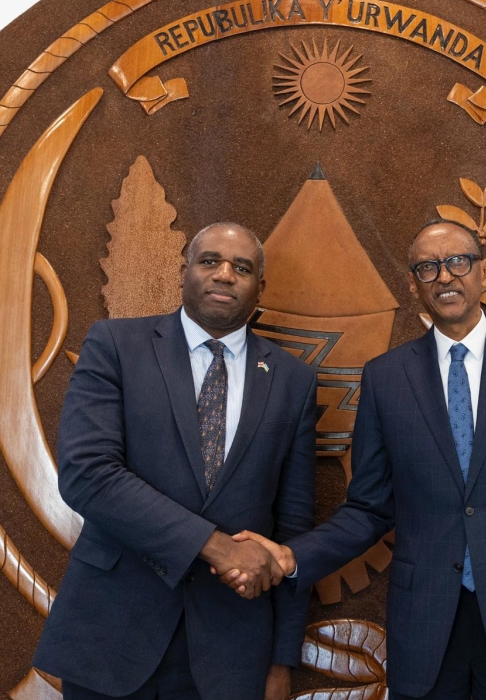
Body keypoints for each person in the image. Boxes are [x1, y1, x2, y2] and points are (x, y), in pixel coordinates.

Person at [230, 220, 486, 700]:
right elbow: (368, 508)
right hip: (424, 625)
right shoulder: (386, 378)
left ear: (485, 270)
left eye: (458, 262)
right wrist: (291, 556)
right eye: (428, 268)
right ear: (413, 285)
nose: (445, 277)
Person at [34, 222, 318, 700]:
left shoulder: (293, 380)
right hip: (112, 634)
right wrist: (217, 546)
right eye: (210, 261)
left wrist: (280, 656)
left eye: (241, 267)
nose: (225, 275)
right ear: (184, 271)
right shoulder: (115, 345)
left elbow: (292, 528)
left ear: (259, 287)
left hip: (232, 651)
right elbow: (88, 475)